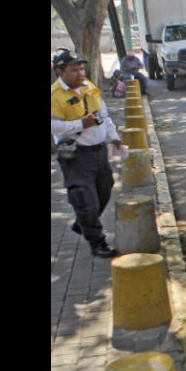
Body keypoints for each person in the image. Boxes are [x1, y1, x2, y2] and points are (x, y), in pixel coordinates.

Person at [51, 49, 122, 258]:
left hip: (98, 152)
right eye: (75, 70)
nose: (81, 73)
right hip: (76, 156)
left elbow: (104, 114)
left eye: (82, 68)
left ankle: (83, 222)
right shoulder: (54, 96)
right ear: (60, 71)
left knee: (105, 188)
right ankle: (97, 242)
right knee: (85, 200)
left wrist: (114, 136)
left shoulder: (89, 87)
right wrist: (79, 124)